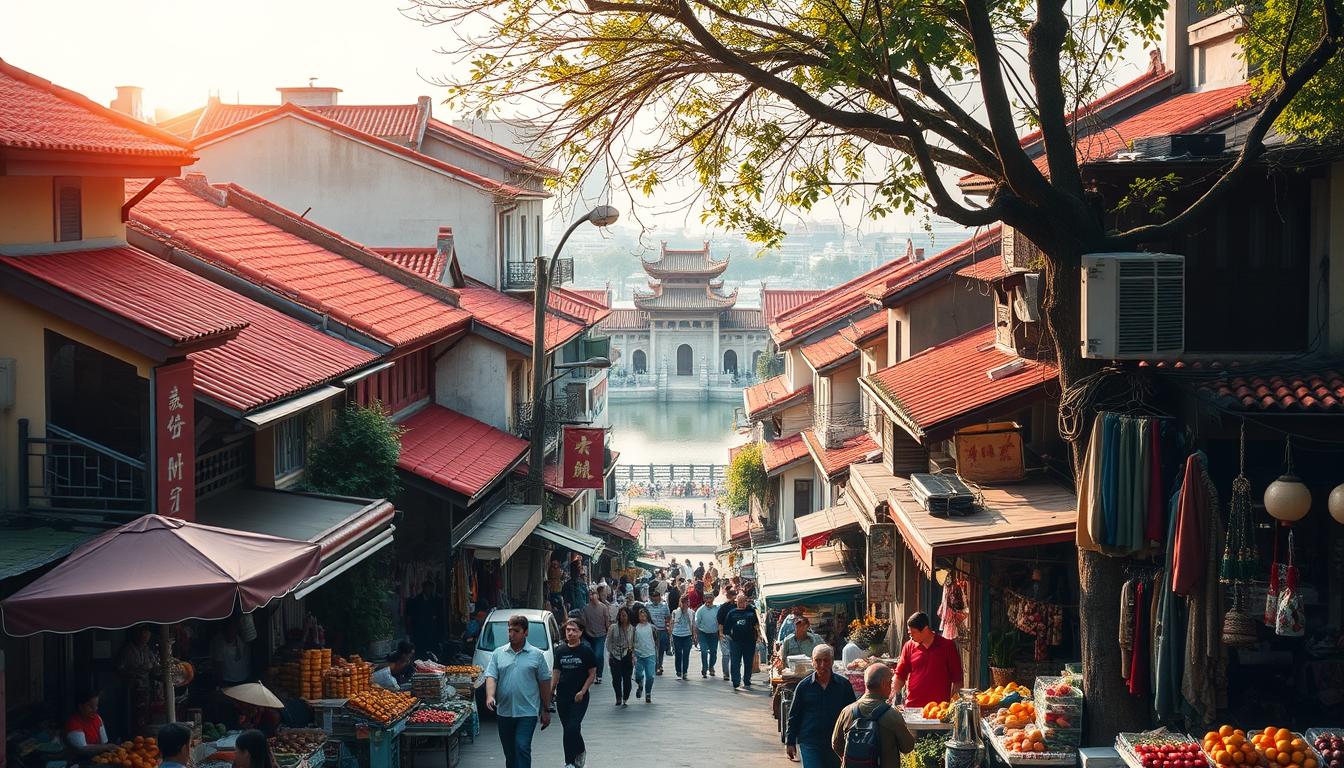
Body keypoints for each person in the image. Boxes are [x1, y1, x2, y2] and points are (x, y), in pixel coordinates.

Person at [484, 615, 553, 768]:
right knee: (510, 753)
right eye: (509, 630)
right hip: (504, 712)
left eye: (516, 630)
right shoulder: (498, 653)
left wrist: (546, 709)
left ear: (525, 632)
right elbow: (491, 676)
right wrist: (490, 696)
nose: (511, 634)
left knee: (522, 746)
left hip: (527, 712)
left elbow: (544, 683)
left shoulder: (536, 655)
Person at [832, 664, 916, 768]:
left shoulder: (847, 711)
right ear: (883, 684)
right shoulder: (892, 715)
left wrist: (854, 760)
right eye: (890, 683)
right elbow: (907, 747)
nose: (891, 686)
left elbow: (836, 743)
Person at [786, 645, 855, 768]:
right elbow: (794, 715)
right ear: (812, 662)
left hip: (836, 743)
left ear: (832, 661)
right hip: (810, 742)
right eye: (818, 660)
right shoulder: (803, 687)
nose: (822, 665)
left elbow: (852, 715)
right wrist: (790, 742)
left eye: (826, 660)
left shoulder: (843, 685)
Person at [893, 612, 963, 708]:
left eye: (913, 633)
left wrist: (952, 705)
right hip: (913, 707)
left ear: (925, 629)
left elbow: (957, 680)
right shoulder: (909, 646)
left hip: (939, 709)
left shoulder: (947, 646)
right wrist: (892, 696)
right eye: (909, 634)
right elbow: (900, 675)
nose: (911, 637)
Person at [553, 619, 597, 768]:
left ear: (580, 632)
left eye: (574, 630)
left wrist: (583, 691)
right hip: (563, 696)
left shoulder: (586, 651)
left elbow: (592, 674)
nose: (570, 633)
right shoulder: (560, 651)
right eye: (568, 630)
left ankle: (574, 758)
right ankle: (571, 759)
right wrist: (550, 693)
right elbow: (556, 673)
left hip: (579, 696)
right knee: (568, 729)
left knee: (573, 726)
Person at [723, 591, 762, 689]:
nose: (742, 603)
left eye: (744, 601)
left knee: (748, 662)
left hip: (749, 642)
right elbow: (726, 628)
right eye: (740, 601)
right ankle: (736, 681)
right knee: (735, 662)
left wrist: (757, 637)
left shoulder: (751, 612)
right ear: (737, 602)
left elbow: (757, 624)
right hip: (736, 642)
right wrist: (730, 636)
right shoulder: (732, 613)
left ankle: (747, 680)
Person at [65, 689, 117, 756]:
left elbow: (104, 742)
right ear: (80, 707)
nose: (95, 709)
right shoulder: (73, 723)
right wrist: (107, 747)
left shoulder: (97, 718)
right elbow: (83, 749)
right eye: (90, 706)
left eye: (96, 705)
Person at [606, 607, 636, 706]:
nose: (622, 617)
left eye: (624, 615)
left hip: (627, 654)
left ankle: (626, 696)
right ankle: (618, 696)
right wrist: (611, 653)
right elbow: (608, 642)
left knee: (627, 678)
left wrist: (633, 655)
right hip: (615, 656)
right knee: (616, 678)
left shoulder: (632, 628)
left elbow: (634, 642)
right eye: (620, 615)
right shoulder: (613, 628)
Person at [210, 617, 252, 686]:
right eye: (231, 628)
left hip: (244, 677)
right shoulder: (219, 642)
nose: (233, 631)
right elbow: (218, 665)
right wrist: (219, 684)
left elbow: (247, 657)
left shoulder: (241, 638)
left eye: (235, 628)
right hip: (228, 681)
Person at [580, 588, 609, 685]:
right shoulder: (585, 608)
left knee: (599, 655)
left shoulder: (603, 607)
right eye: (590, 595)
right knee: (590, 655)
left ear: (597, 595)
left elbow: (607, 621)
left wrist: (607, 630)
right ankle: (591, 674)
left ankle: (599, 675)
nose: (592, 596)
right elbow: (583, 622)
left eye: (593, 594)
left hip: (601, 635)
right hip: (589, 635)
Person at [631, 606, 658, 703]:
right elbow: (632, 642)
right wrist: (633, 654)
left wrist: (656, 654)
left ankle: (648, 693)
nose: (643, 617)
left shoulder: (652, 628)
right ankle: (640, 683)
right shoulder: (635, 628)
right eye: (640, 615)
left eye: (644, 614)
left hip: (650, 654)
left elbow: (656, 641)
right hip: (639, 654)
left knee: (650, 676)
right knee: (638, 674)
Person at [692, 594, 721, 678]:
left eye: (710, 598)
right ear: (704, 599)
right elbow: (696, 624)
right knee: (704, 651)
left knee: (713, 652)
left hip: (713, 633)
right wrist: (695, 636)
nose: (708, 600)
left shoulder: (717, 609)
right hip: (703, 634)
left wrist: (720, 633)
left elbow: (719, 621)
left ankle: (711, 666)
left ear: (713, 599)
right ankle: (704, 668)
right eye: (707, 598)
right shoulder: (700, 610)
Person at [644, 589, 671, 675]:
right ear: (651, 598)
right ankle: (655, 666)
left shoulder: (664, 606)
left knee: (661, 649)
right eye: (654, 599)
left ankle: (659, 665)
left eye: (657, 599)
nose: (655, 601)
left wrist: (668, 627)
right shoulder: (647, 606)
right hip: (650, 631)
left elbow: (668, 617)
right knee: (652, 649)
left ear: (659, 598)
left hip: (661, 630)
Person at [669, 594, 695, 680]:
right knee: (678, 653)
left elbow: (693, 625)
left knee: (686, 654)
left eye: (687, 602)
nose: (685, 604)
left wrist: (694, 636)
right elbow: (672, 623)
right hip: (677, 635)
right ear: (680, 603)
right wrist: (670, 635)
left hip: (687, 635)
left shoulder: (691, 612)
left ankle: (685, 672)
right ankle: (678, 671)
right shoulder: (675, 612)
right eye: (683, 602)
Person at [716, 587, 737, 682]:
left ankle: (734, 673)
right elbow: (720, 621)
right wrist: (720, 633)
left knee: (734, 655)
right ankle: (726, 673)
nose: (734, 598)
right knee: (726, 654)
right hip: (725, 633)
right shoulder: (724, 607)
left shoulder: (738, 606)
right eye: (733, 596)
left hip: (736, 634)